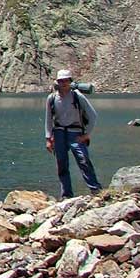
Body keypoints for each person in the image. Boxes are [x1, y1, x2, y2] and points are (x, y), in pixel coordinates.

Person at [45, 68, 100, 198]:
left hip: (75, 133)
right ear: (57, 82)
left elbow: (93, 116)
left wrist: (87, 134)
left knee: (83, 161)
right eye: (61, 81)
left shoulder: (77, 96)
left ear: (70, 81)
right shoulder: (52, 98)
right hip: (59, 132)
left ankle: (95, 189)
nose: (63, 83)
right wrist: (48, 138)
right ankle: (66, 195)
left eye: (66, 80)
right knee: (61, 164)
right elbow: (48, 119)